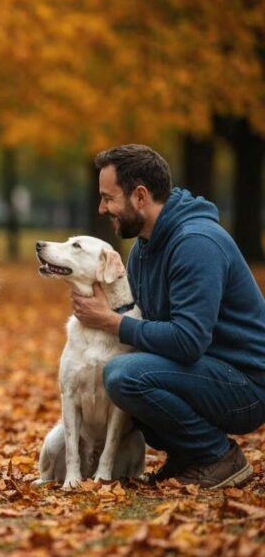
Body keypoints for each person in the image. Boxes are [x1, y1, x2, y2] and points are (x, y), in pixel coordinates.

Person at [73, 144, 265, 489]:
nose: (102, 208)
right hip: (202, 372)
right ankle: (187, 455)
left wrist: (111, 322)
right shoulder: (144, 248)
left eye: (109, 198)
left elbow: (188, 342)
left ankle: (218, 456)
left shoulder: (196, 244)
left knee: (123, 375)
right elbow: (145, 323)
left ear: (141, 196)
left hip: (246, 386)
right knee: (119, 367)